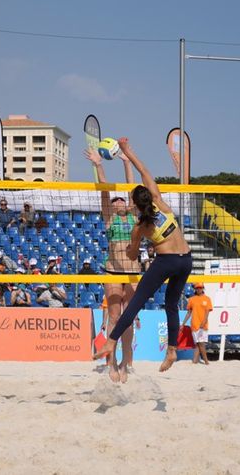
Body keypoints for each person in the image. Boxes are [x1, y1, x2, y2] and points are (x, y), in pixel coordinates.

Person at [92, 137, 192, 378]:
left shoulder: (139, 227)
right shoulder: (161, 203)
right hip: (186, 259)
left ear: (132, 205)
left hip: (162, 262)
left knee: (135, 305)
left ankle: (112, 344)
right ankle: (171, 350)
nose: (120, 201)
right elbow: (144, 171)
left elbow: (133, 252)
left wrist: (132, 250)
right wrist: (129, 151)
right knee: (170, 305)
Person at [84, 146, 139, 382]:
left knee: (128, 319)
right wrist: (99, 165)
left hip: (133, 272)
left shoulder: (135, 216)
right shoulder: (110, 218)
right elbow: (105, 191)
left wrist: (127, 162)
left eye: (121, 199)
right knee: (115, 317)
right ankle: (113, 361)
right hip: (113, 270)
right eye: (115, 200)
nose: (118, 201)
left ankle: (126, 360)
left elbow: (132, 189)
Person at [182, 283, 213, 365]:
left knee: (201, 343)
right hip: (194, 324)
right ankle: (199, 361)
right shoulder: (192, 299)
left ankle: (202, 361)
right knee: (198, 344)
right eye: (197, 288)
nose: (198, 289)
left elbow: (207, 313)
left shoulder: (207, 299)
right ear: (195, 289)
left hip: (203, 325)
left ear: (203, 288)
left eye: (200, 288)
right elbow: (189, 313)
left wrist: (203, 323)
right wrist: (183, 323)